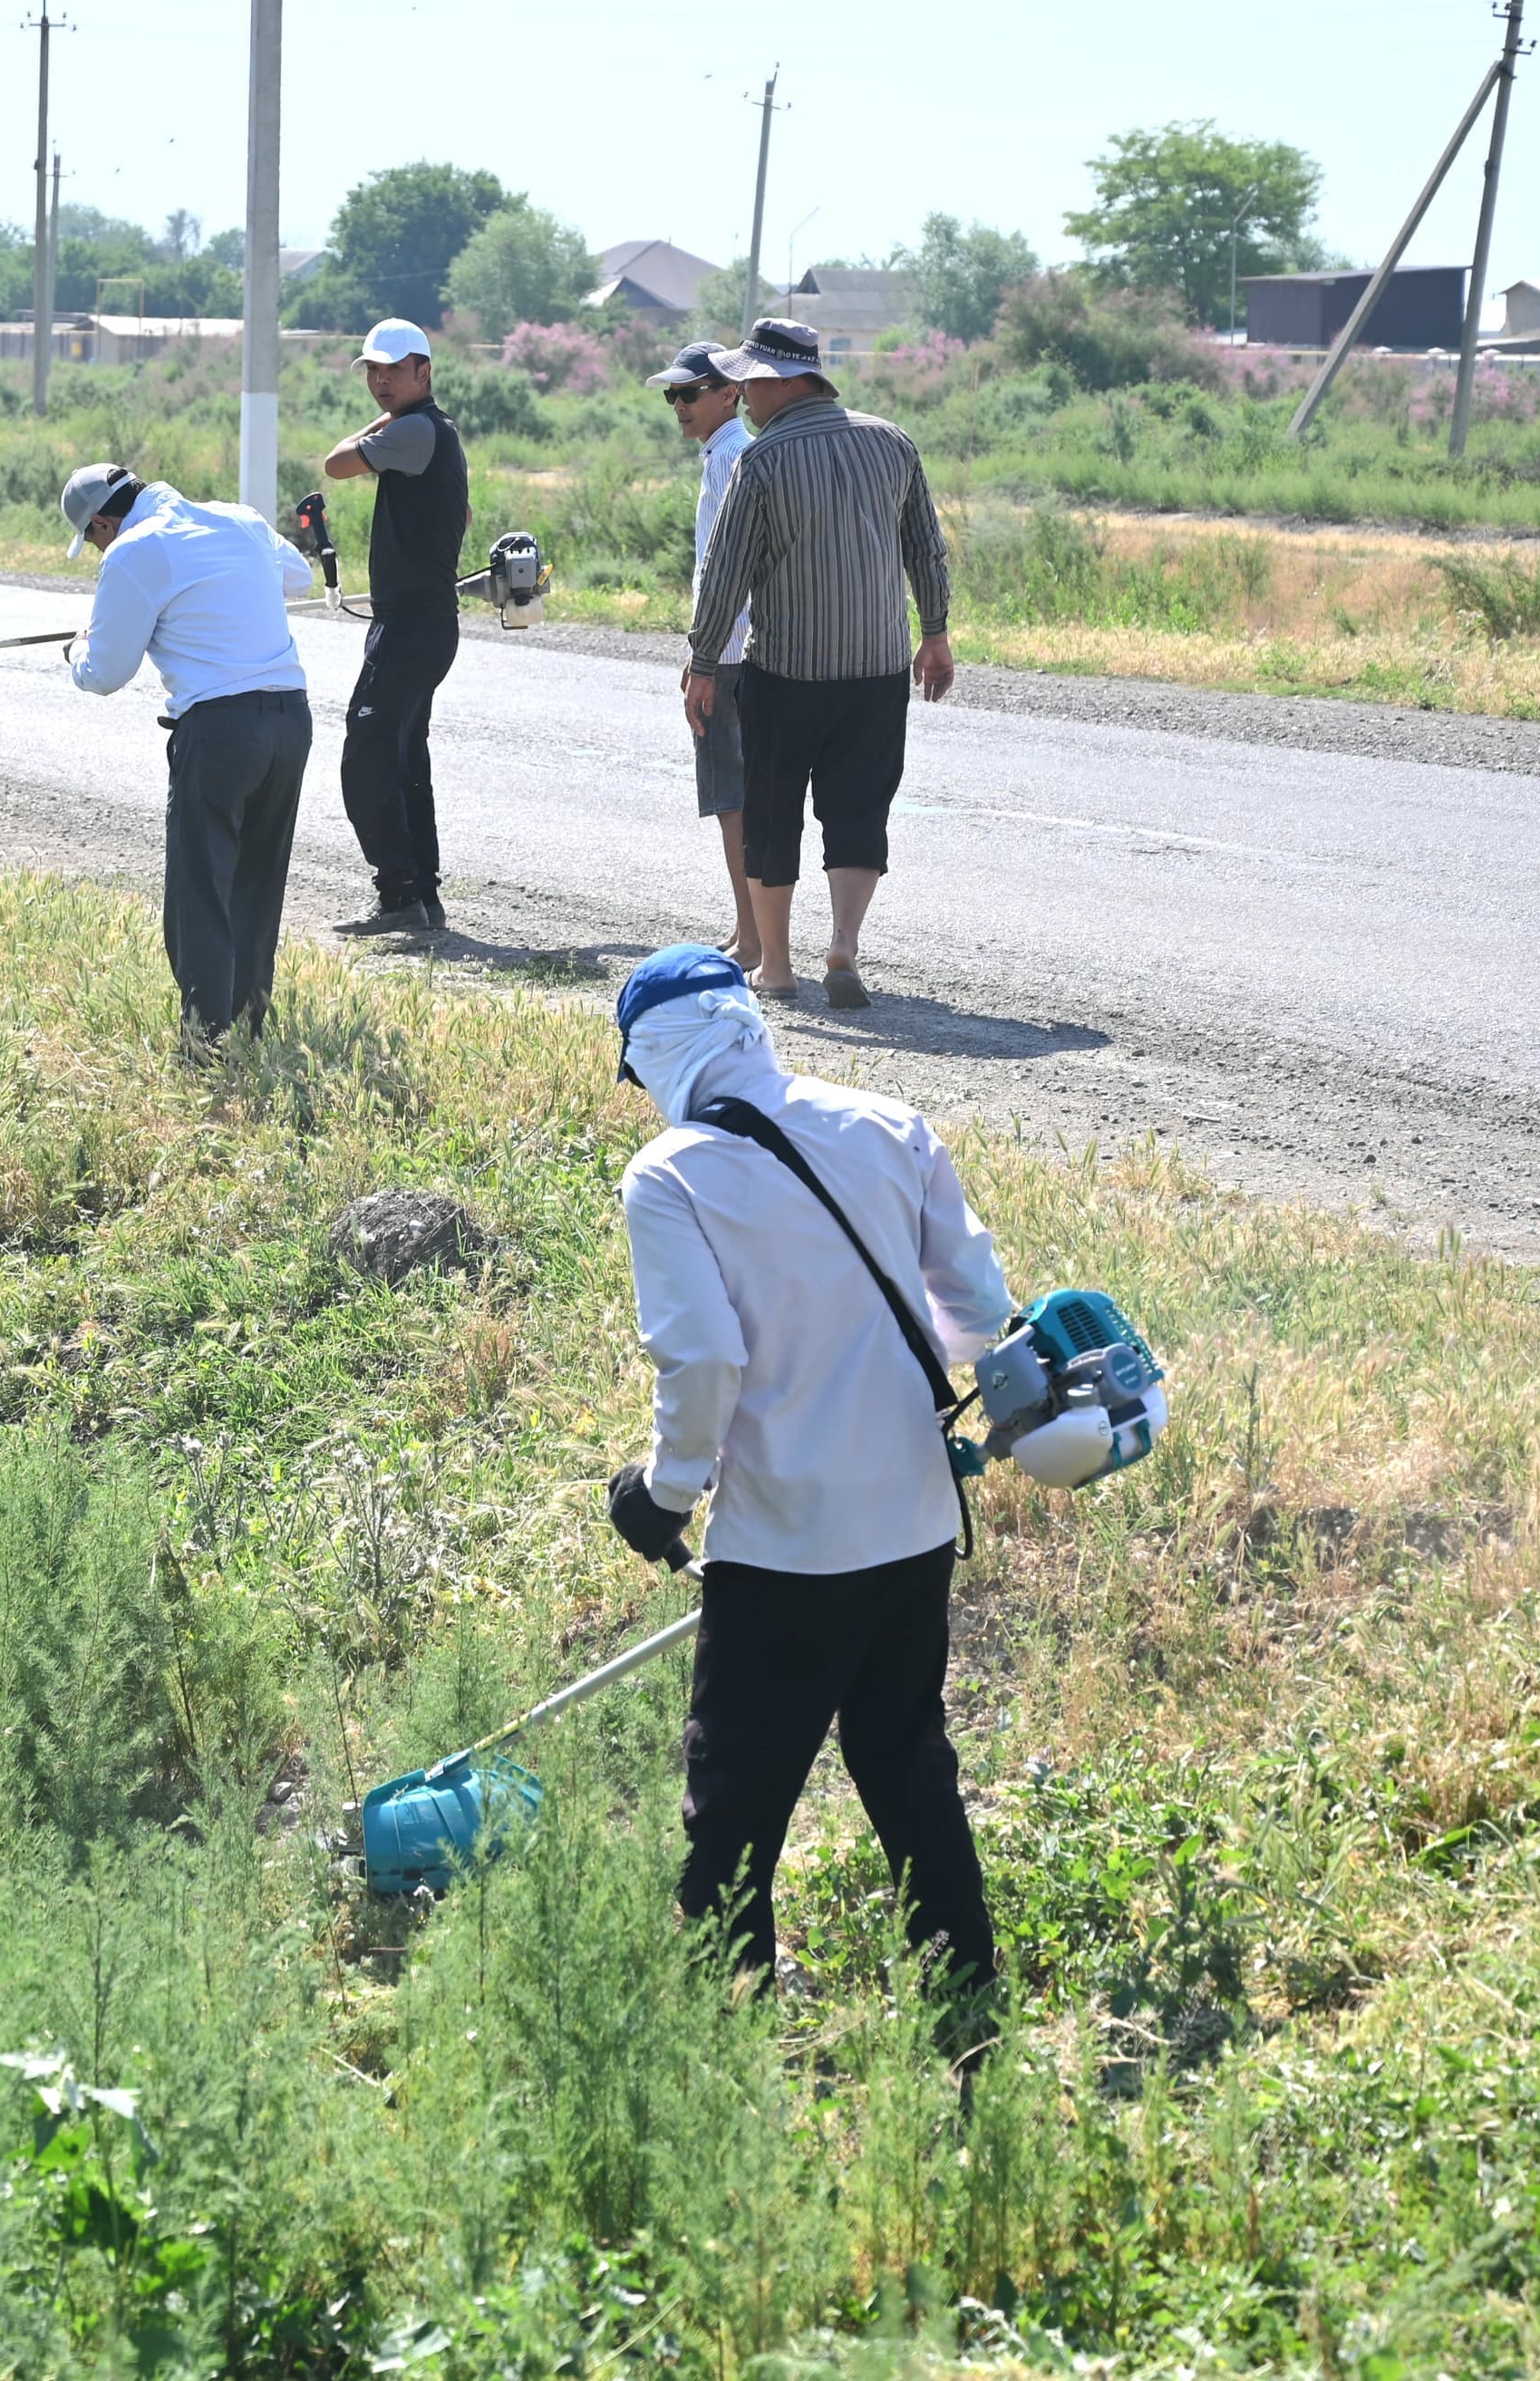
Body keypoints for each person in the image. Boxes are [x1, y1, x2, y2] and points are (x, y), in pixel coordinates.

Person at [602, 942, 1010, 1999]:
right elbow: (978, 1312)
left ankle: (722, 2038)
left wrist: (662, 1496)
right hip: (915, 1523)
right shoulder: (888, 1124)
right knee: (908, 1771)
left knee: (733, 1811)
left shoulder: (668, 1176)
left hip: (783, 1547)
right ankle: (967, 2018)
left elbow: (704, 1362)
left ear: (654, 1060)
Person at [683, 318, 954, 1008]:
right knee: (859, 809)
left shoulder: (761, 461)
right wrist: (936, 632)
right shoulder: (892, 442)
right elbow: (926, 546)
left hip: (787, 671)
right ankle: (843, 945)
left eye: (750, 381)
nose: (743, 395)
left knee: (773, 816)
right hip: (878, 668)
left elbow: (726, 574)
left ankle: (776, 968)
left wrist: (704, 660)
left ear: (783, 381)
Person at [61, 459, 321, 1052]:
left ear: (102, 523)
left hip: (220, 730)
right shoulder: (239, 519)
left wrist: (78, 650)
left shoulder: (133, 553)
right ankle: (247, 1033)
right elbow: (299, 577)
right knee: (257, 886)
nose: (99, 549)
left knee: (200, 892)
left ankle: (205, 1043)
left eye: (93, 539)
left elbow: (105, 672)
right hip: (290, 719)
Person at [321, 316, 470, 937]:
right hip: (425, 623)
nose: (380, 381)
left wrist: (377, 424)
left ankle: (400, 893)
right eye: (373, 371)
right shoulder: (438, 431)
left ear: (423, 371)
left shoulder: (412, 430)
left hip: (409, 624)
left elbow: (335, 463)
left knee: (368, 754)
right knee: (405, 758)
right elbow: (462, 515)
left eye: (393, 369)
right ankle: (420, 897)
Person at [649, 339, 761, 968]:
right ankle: (753, 930)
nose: (679, 404)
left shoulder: (729, 459)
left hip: (732, 654)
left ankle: (752, 937)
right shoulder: (732, 452)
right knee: (746, 798)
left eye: (691, 393)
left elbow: (723, 573)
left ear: (730, 393)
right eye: (674, 394)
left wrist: (705, 655)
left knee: (732, 800)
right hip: (744, 649)